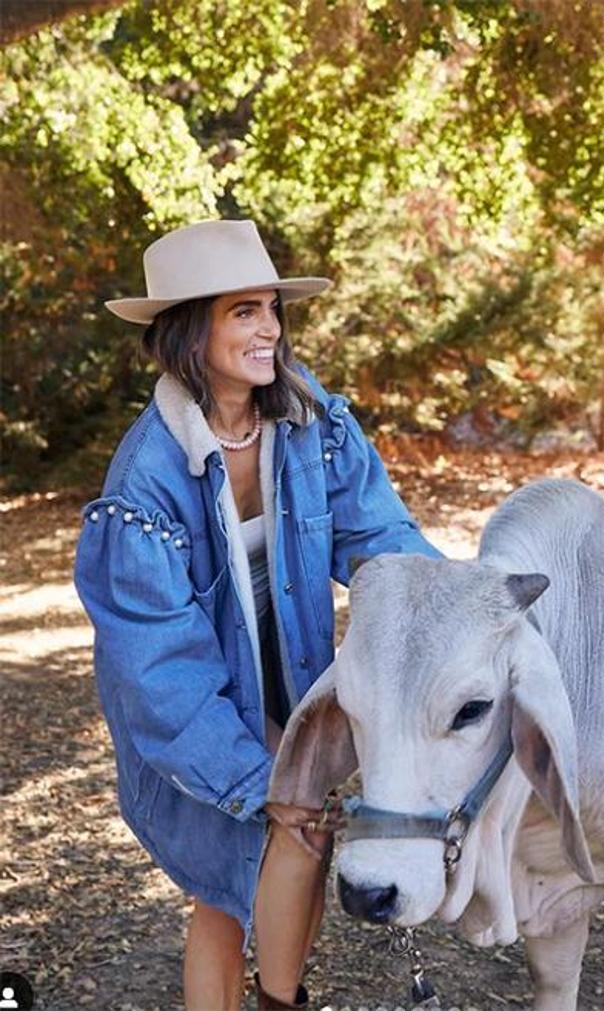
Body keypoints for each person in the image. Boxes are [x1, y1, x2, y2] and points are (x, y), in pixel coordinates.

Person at [73, 219, 443, 1011]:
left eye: (272, 308)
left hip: (293, 666)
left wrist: (451, 607)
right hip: (194, 708)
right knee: (263, 851)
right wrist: (256, 775)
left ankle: (279, 992)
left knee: (285, 852)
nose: (269, 328)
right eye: (243, 311)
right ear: (188, 331)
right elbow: (160, 670)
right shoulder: (143, 486)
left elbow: (380, 536)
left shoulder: (312, 423)